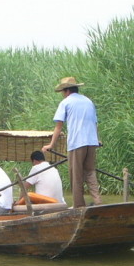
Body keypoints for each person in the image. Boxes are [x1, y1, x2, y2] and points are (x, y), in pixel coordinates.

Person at [42, 76, 100, 208]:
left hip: (77, 143)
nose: (62, 94)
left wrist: (51, 145)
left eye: (63, 92)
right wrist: (97, 139)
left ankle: (79, 206)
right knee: (90, 172)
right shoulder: (88, 101)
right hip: (91, 142)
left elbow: (59, 126)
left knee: (76, 175)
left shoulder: (66, 102)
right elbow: (94, 123)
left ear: (66, 91)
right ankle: (98, 202)